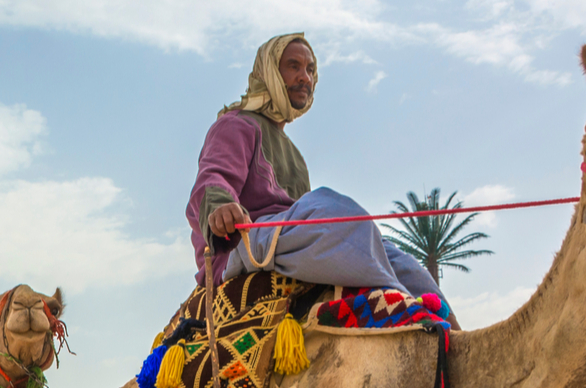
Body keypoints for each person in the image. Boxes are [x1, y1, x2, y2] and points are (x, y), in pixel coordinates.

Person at [188, 34, 449, 318]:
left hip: (289, 239)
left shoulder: (295, 156)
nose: (305, 78)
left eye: (311, 69)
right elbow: (212, 179)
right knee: (334, 209)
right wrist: (221, 208)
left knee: (397, 257)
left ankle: (452, 335)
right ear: (271, 72)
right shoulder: (236, 124)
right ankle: (401, 307)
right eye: (293, 67)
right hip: (245, 242)